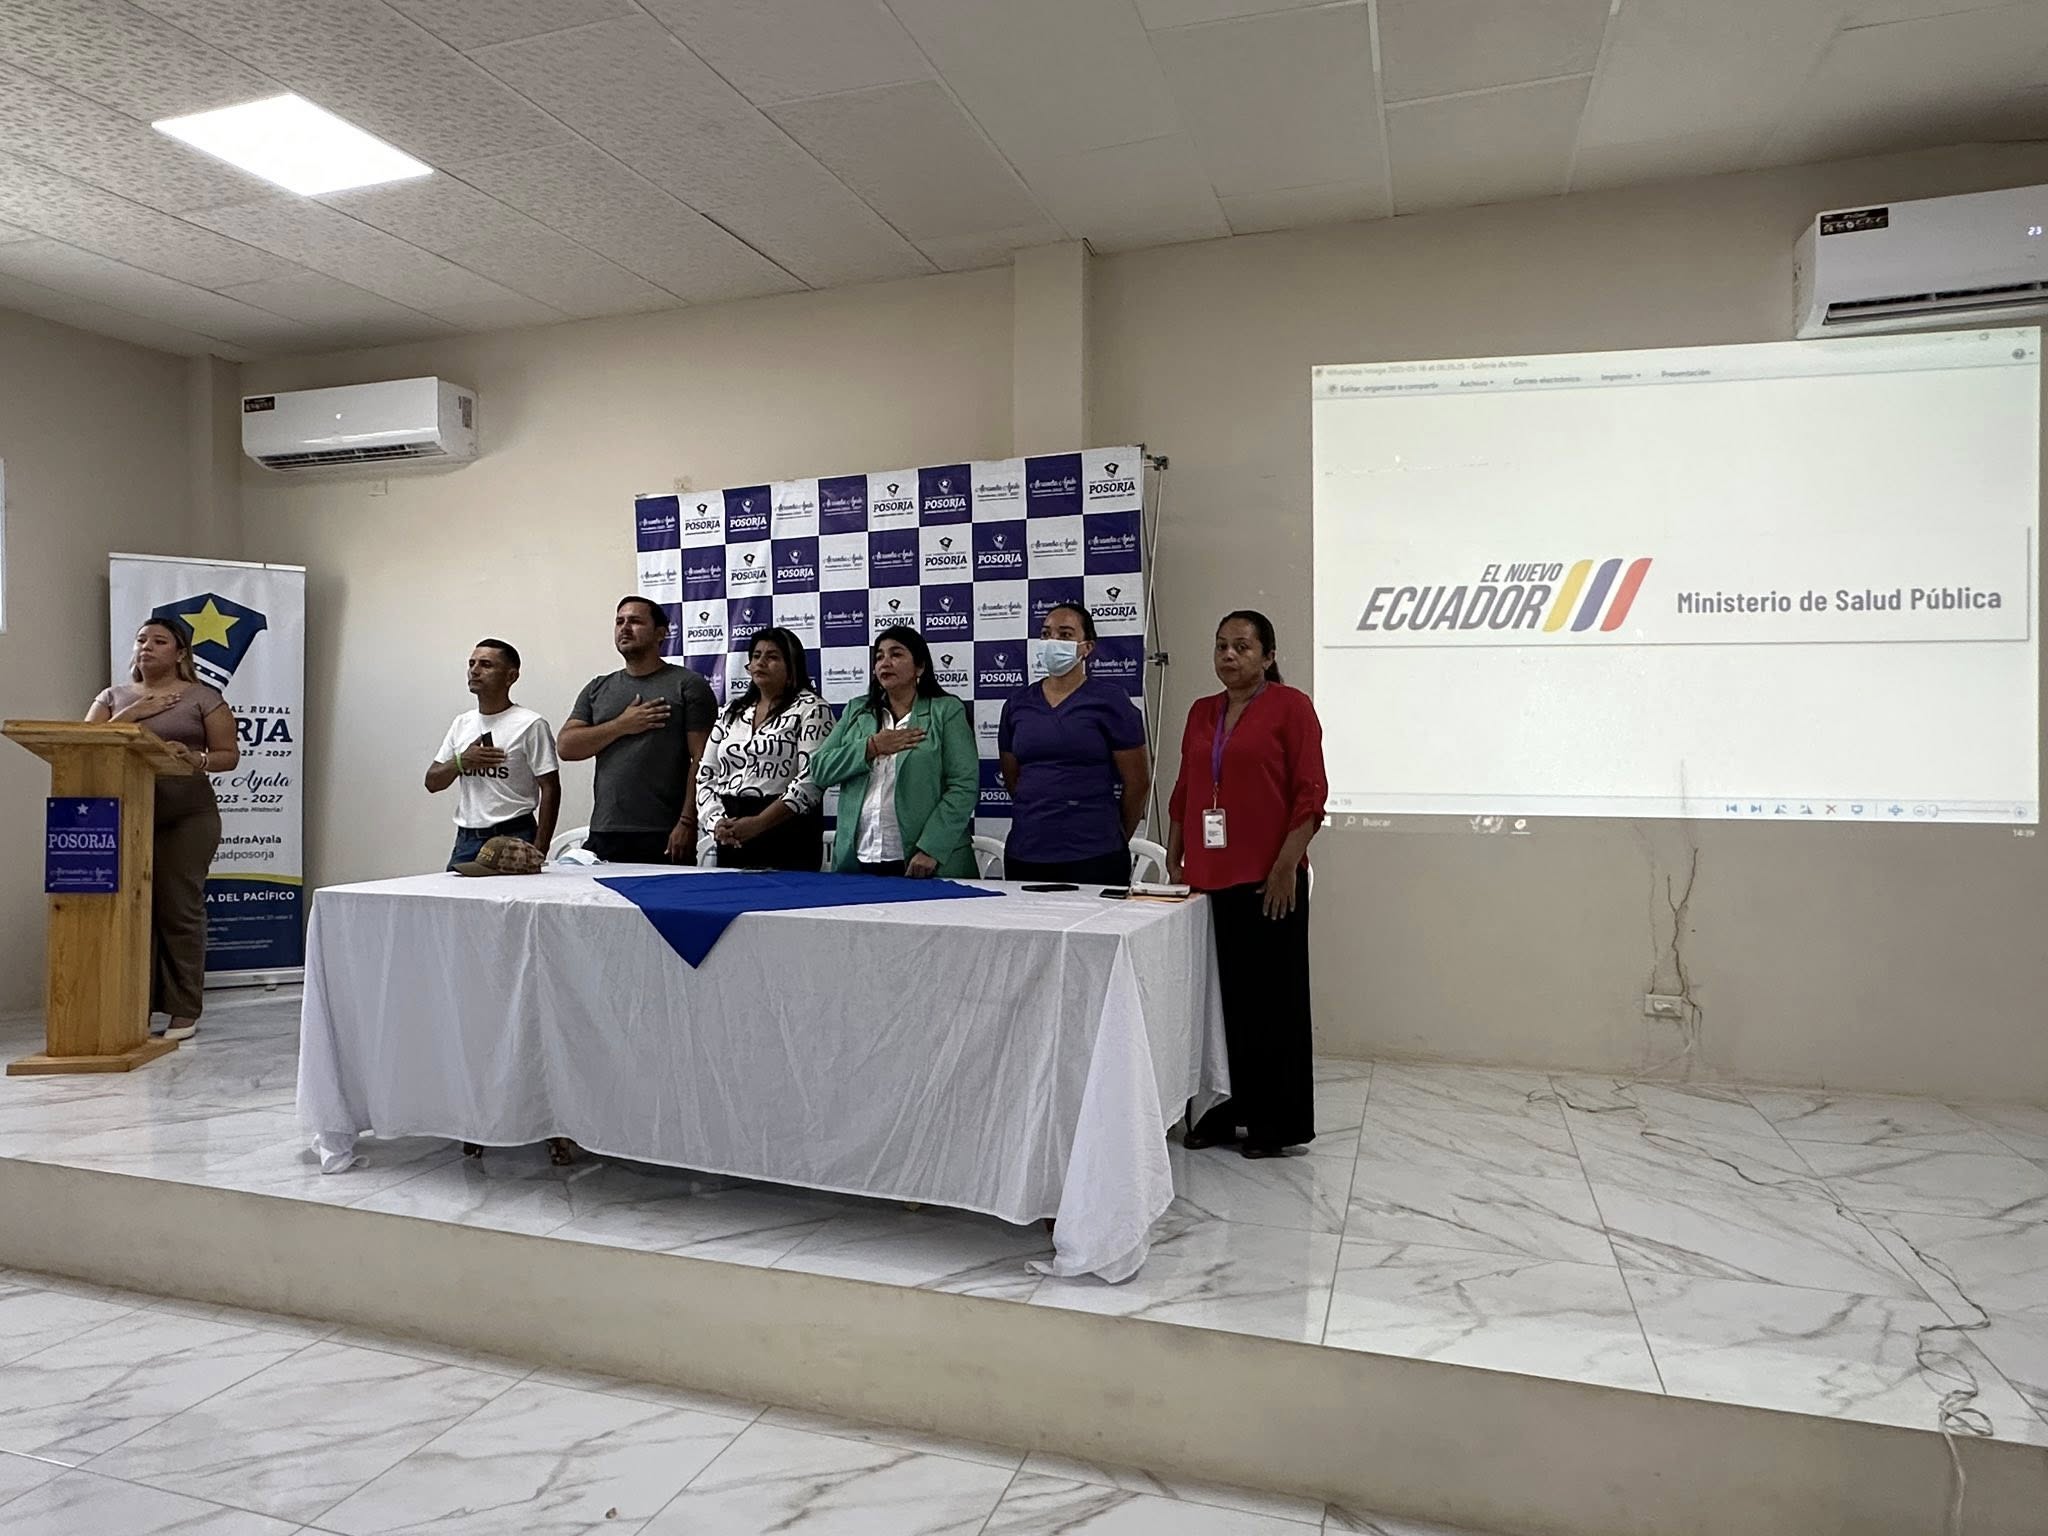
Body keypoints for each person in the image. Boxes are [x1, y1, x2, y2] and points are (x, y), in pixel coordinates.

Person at [1167, 610, 1327, 1159]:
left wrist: (1285, 868)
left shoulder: (1291, 707)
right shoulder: (1201, 711)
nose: (1229, 655)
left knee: (1270, 1005)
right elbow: (1185, 790)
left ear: (1268, 656)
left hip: (1268, 881)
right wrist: (1175, 859)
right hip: (1206, 881)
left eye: (1242, 646)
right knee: (1216, 1005)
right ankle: (1219, 1110)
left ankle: (1272, 1122)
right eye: (1221, 646)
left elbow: (1310, 794)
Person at [86, 615, 240, 1042]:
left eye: (159, 641)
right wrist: (133, 714)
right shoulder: (113, 697)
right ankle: (133, 1005)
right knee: (129, 910)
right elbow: (87, 743)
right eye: (141, 640)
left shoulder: (202, 698)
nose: (147, 647)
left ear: (180, 653)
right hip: (124, 816)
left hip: (187, 817)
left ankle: (183, 1010)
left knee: (178, 908)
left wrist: (197, 759)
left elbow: (228, 755)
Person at [998, 602, 1149, 885]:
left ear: (1087, 648)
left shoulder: (1111, 701)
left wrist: (1114, 836)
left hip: (1095, 853)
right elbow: (1012, 778)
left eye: (1065, 634)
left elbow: (1138, 782)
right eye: (1046, 634)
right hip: (1026, 851)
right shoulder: (1017, 704)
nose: (1053, 641)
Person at [809, 626, 977, 878]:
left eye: (896, 654)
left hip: (926, 861)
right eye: (879, 657)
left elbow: (964, 786)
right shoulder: (857, 710)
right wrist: (871, 747)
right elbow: (820, 769)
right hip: (860, 858)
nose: (885, 662)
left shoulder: (946, 710)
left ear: (919, 667)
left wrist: (931, 848)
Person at [558, 596, 715, 864]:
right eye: (619, 621)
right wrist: (622, 725)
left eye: (635, 621)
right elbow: (567, 747)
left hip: (664, 831)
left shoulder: (687, 685)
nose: (625, 628)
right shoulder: (598, 687)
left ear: (660, 633)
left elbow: (702, 759)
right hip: (605, 829)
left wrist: (687, 821)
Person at [696, 627, 834, 870]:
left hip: (787, 828)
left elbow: (812, 778)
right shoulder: (731, 711)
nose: (760, 663)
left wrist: (759, 823)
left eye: (772, 657)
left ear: (792, 666)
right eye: (756, 656)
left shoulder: (812, 709)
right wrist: (716, 822)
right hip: (733, 830)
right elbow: (706, 774)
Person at [424, 639, 561, 870]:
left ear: (511, 676)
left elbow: (550, 787)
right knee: (456, 893)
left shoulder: (530, 724)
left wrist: (540, 847)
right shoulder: (462, 723)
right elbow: (432, 782)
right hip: (467, 839)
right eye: (472, 663)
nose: (475, 670)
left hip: (514, 834)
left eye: (486, 665)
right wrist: (461, 762)